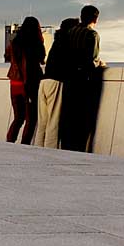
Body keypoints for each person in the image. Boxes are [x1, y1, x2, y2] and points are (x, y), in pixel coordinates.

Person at [57, 4, 106, 152]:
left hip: (68, 79)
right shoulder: (92, 35)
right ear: (95, 19)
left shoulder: (70, 32)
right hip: (83, 81)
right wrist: (99, 63)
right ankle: (78, 149)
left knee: (68, 116)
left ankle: (66, 146)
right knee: (81, 118)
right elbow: (92, 60)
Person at [34, 17, 76, 148]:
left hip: (44, 82)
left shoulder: (56, 41)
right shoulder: (69, 42)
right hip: (55, 82)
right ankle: (49, 152)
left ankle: (38, 148)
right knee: (53, 120)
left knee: (42, 121)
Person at [4, 17, 46, 144]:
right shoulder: (35, 43)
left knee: (18, 118)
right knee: (31, 119)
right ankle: (25, 146)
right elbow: (41, 58)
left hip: (15, 83)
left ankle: (10, 142)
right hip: (29, 83)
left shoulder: (14, 43)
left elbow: (7, 57)